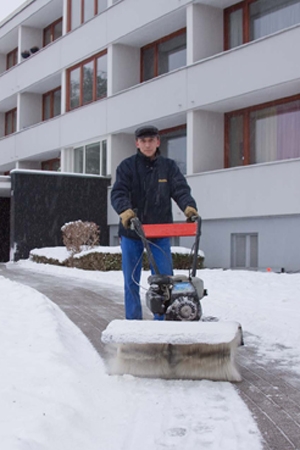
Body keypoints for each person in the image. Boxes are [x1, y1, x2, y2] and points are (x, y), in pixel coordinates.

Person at [111, 125, 198, 320]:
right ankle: (133, 321)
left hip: (159, 232)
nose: (147, 144)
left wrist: (189, 208)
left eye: (151, 140)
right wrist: (126, 212)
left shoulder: (168, 167)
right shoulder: (127, 167)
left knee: (164, 280)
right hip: (133, 231)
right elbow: (119, 192)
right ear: (137, 144)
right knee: (131, 281)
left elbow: (180, 190)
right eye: (143, 141)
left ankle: (162, 321)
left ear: (158, 142)